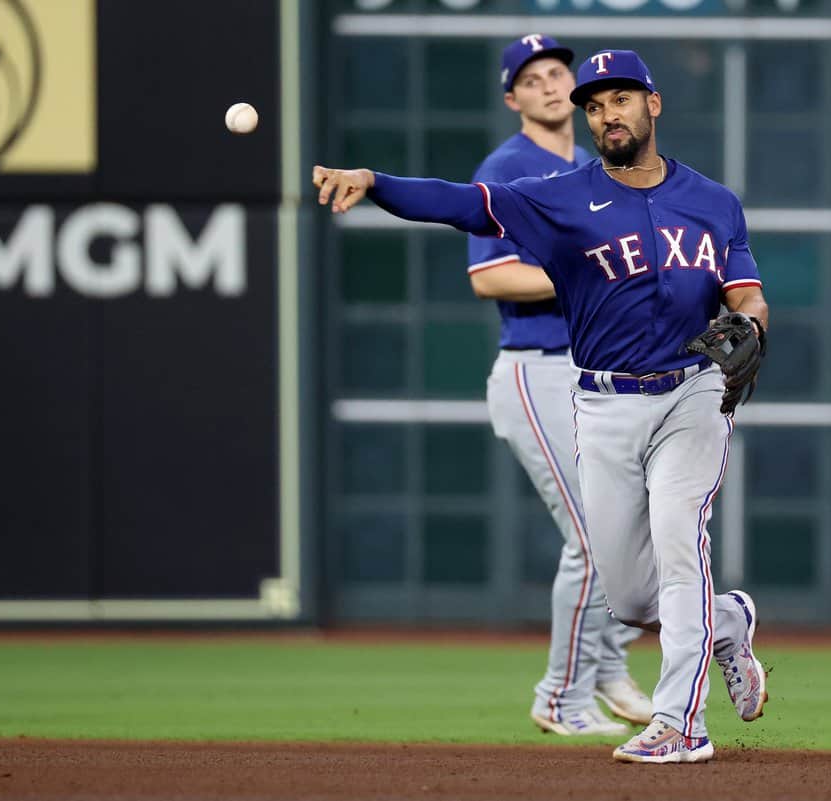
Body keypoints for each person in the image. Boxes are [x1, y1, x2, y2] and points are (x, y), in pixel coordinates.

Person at [314, 48, 769, 764]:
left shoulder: (713, 201)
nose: (604, 113)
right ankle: (727, 621)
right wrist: (373, 182)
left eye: (619, 98)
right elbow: (457, 202)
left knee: (681, 541)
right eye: (593, 105)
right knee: (625, 593)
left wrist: (755, 323)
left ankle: (681, 722)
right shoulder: (560, 197)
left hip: (692, 390)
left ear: (653, 104)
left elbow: (744, 291)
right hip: (602, 402)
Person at [470, 34, 650, 737]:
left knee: (633, 527)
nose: (551, 84)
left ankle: (604, 667)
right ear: (512, 98)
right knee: (593, 537)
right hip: (537, 367)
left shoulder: (589, 165)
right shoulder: (508, 167)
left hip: (597, 374)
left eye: (558, 73)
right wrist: (583, 272)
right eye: (533, 77)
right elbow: (487, 275)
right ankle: (560, 695)